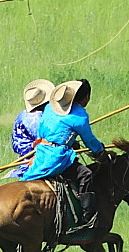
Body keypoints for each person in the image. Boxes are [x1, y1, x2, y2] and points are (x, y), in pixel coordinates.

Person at [20, 79, 109, 229]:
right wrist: (101, 152)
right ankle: (88, 219)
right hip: (57, 157)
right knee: (86, 174)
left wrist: (69, 141)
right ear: (86, 97)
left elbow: (45, 131)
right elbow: (90, 141)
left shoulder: (49, 107)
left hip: (41, 153)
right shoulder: (80, 116)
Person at [7, 79, 55, 178]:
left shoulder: (22, 114)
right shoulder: (39, 118)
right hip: (35, 159)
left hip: (22, 159)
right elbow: (46, 140)